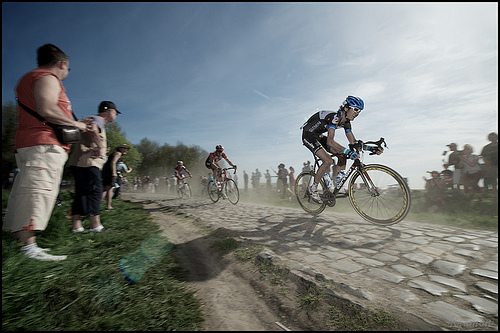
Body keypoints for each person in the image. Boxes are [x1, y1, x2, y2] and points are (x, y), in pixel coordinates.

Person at [3, 43, 88, 261]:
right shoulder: (48, 77)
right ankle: (29, 247)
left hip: (31, 142)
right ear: (62, 64)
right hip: (44, 143)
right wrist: (77, 125)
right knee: (38, 191)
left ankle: (20, 240)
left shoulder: (32, 77)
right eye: (68, 69)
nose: (67, 73)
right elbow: (46, 109)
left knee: (26, 190)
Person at [301, 96, 383, 202]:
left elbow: (353, 142)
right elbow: (330, 141)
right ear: (346, 108)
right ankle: (313, 189)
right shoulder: (334, 117)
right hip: (308, 135)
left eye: (360, 111)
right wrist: (348, 151)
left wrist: (371, 149)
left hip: (319, 135)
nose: (357, 113)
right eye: (356, 109)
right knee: (328, 160)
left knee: (342, 154)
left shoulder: (347, 122)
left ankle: (338, 182)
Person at [69, 100, 121, 232]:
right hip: (88, 163)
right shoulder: (97, 119)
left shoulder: (92, 119)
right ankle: (95, 225)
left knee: (81, 193)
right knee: (95, 191)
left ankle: (76, 225)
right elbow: (92, 128)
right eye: (116, 113)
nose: (116, 116)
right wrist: (99, 146)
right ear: (110, 111)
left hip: (79, 162)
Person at [102, 143, 131, 209]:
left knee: (104, 189)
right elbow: (113, 162)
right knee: (110, 188)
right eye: (124, 148)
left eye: (127, 149)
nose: (126, 150)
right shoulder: (118, 153)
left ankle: (97, 205)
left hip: (105, 172)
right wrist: (114, 173)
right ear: (120, 148)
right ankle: (108, 206)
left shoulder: (113, 153)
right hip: (109, 172)